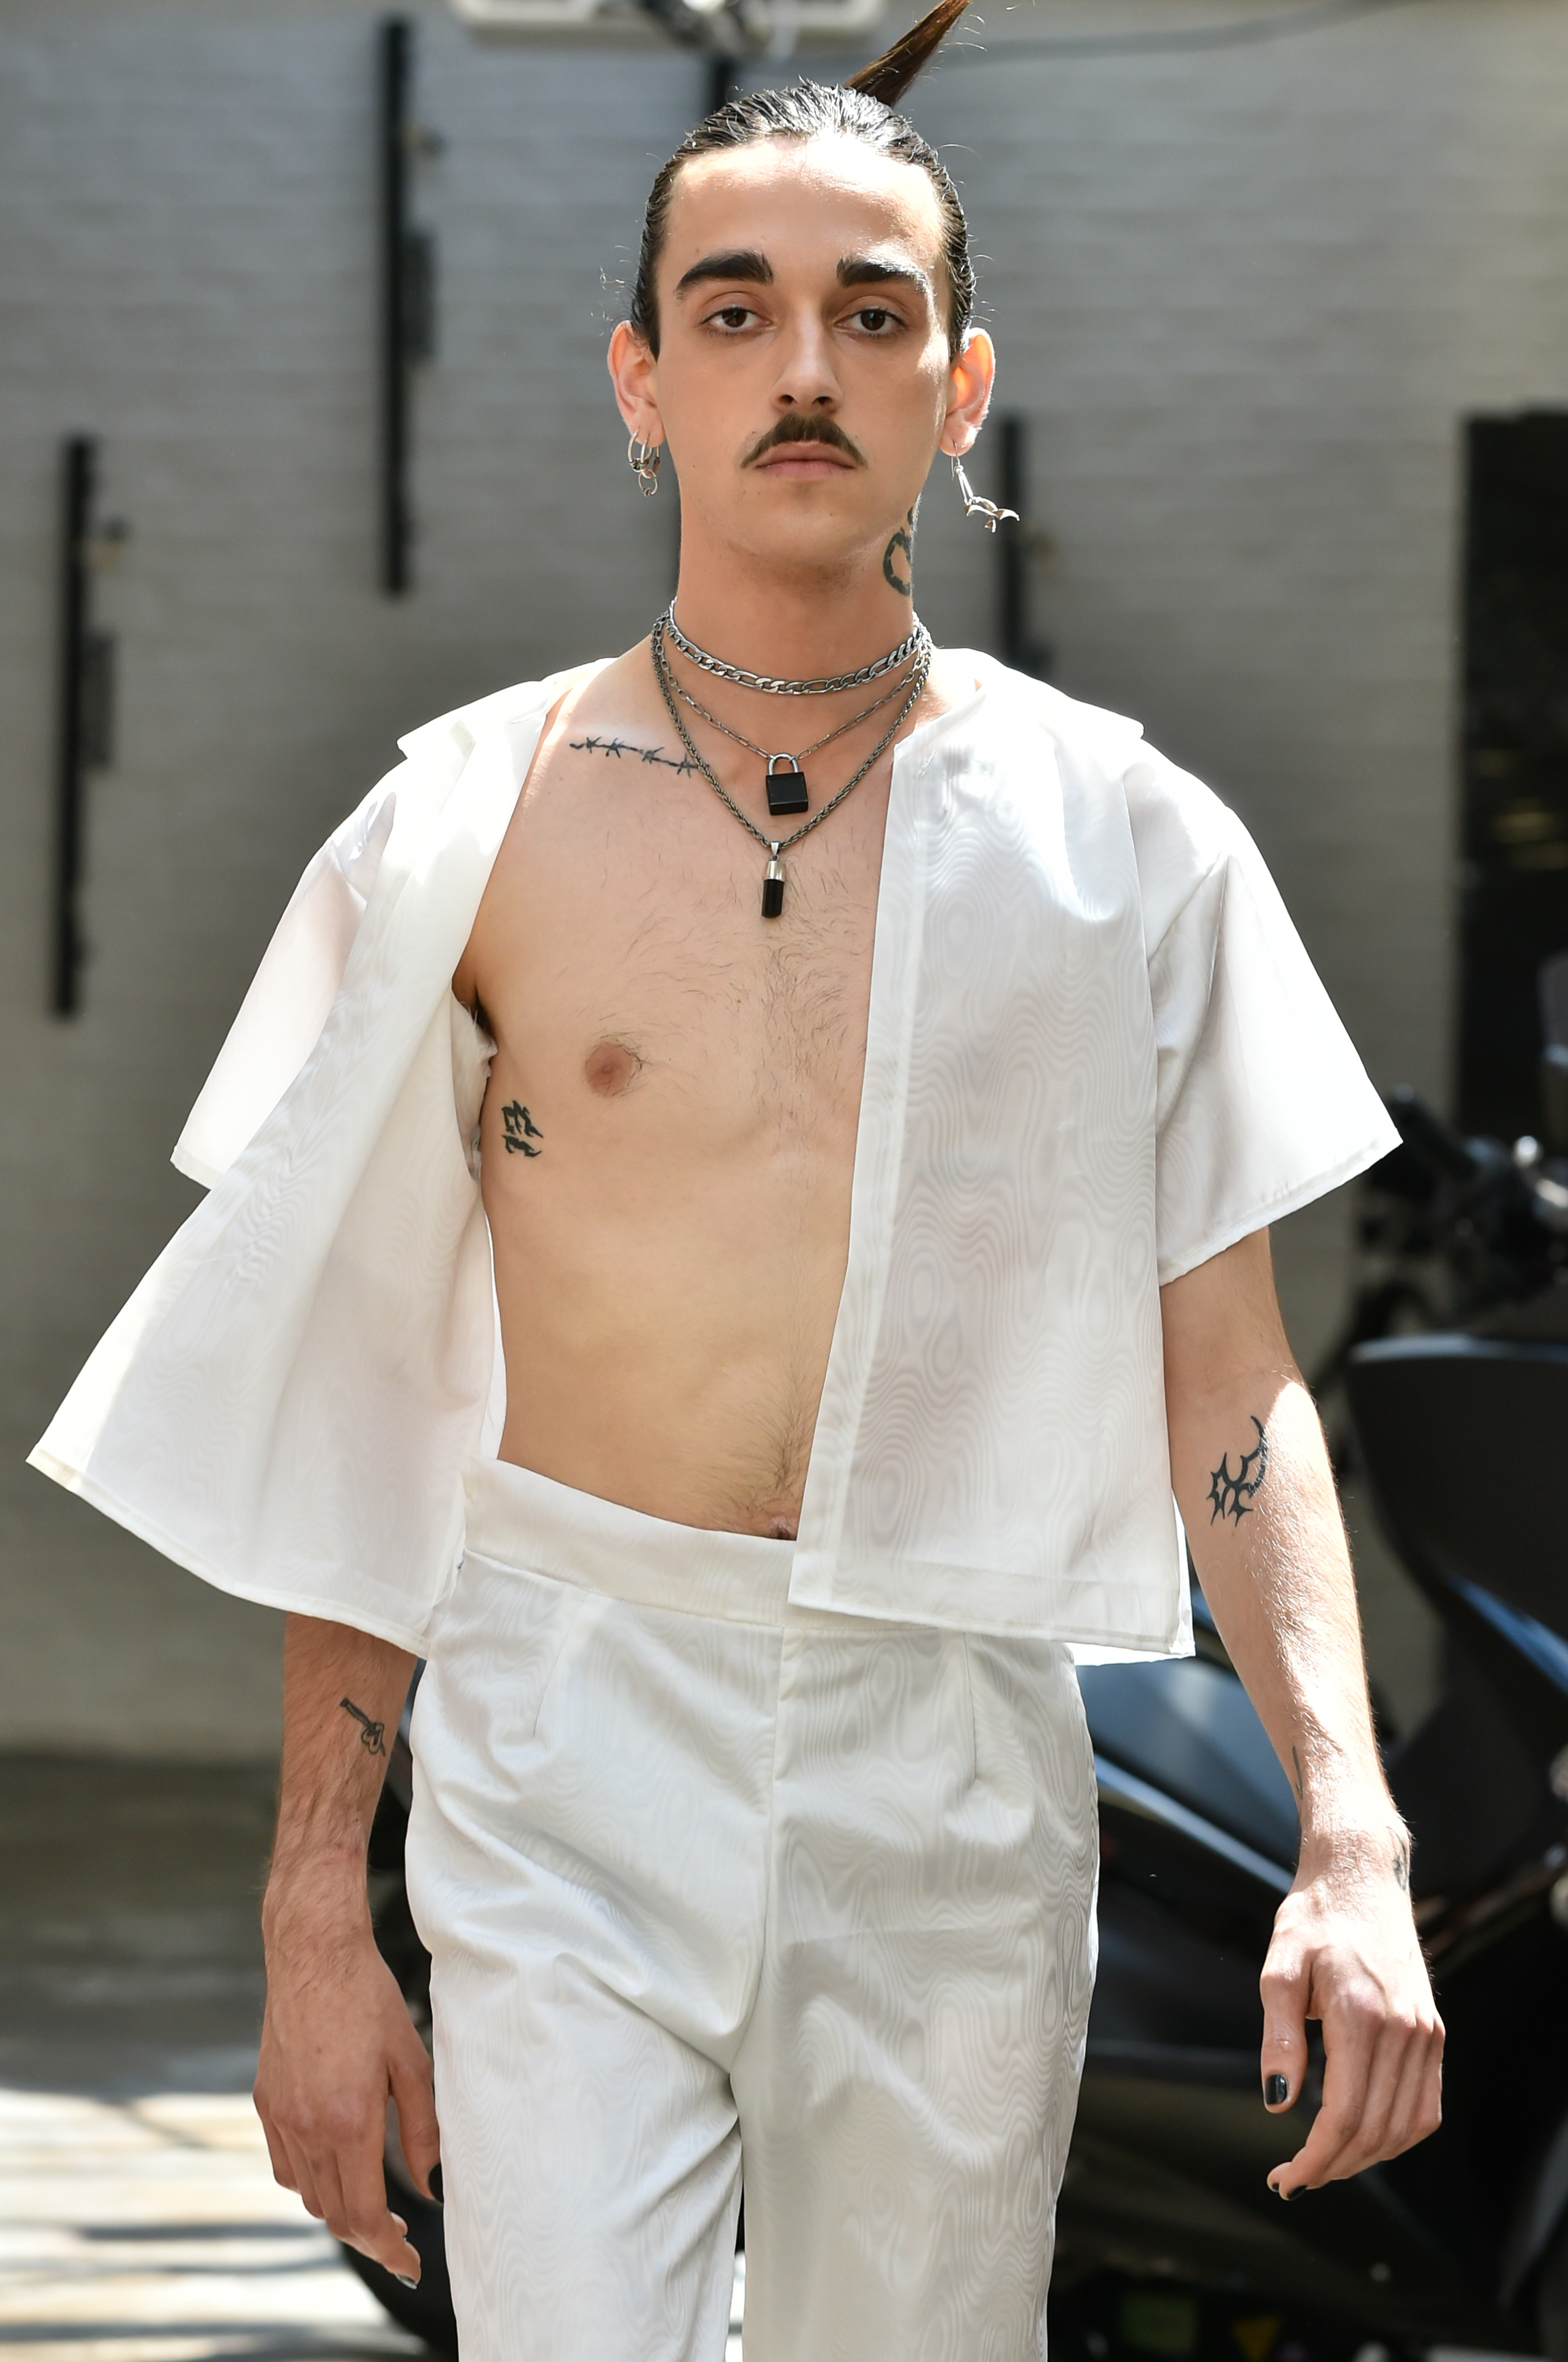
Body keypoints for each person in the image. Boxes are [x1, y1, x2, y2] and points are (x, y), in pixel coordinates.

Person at [31, 5, 1444, 2354]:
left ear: (959, 390)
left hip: (952, 1742)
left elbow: (1230, 1376)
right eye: (735, 310)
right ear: (640, 380)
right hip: (564, 1722)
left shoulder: (1129, 839)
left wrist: (1352, 1833)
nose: (805, 366)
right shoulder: (463, 823)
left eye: (873, 315)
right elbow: (373, 1389)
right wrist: (313, 1920)